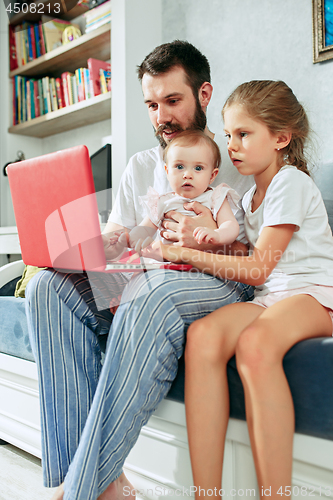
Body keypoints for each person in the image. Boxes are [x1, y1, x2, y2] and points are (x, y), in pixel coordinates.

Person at [25, 41, 255, 500]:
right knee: (49, 288)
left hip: (219, 278)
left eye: (173, 101)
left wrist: (200, 239)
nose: (161, 116)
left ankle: (77, 492)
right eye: (152, 104)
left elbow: (262, 257)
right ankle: (101, 484)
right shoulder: (141, 166)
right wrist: (103, 243)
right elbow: (120, 234)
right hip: (145, 270)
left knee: (147, 295)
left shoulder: (240, 160)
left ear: (203, 94)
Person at [154, 80, 333, 498]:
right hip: (274, 296)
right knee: (202, 336)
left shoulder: (291, 181)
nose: (231, 145)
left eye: (243, 134)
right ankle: (207, 493)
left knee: (255, 343)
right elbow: (250, 265)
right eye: (228, 134)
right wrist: (200, 240)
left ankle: (275, 494)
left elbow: (257, 269)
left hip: (316, 293)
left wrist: (190, 253)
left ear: (281, 139)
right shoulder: (250, 194)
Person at [114, 130, 240, 254]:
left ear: (212, 176)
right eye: (179, 167)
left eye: (198, 168)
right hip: (169, 264)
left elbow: (230, 225)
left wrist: (217, 235)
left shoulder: (216, 197)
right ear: (167, 172)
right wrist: (127, 239)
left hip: (205, 265)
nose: (187, 175)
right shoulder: (163, 202)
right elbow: (144, 229)